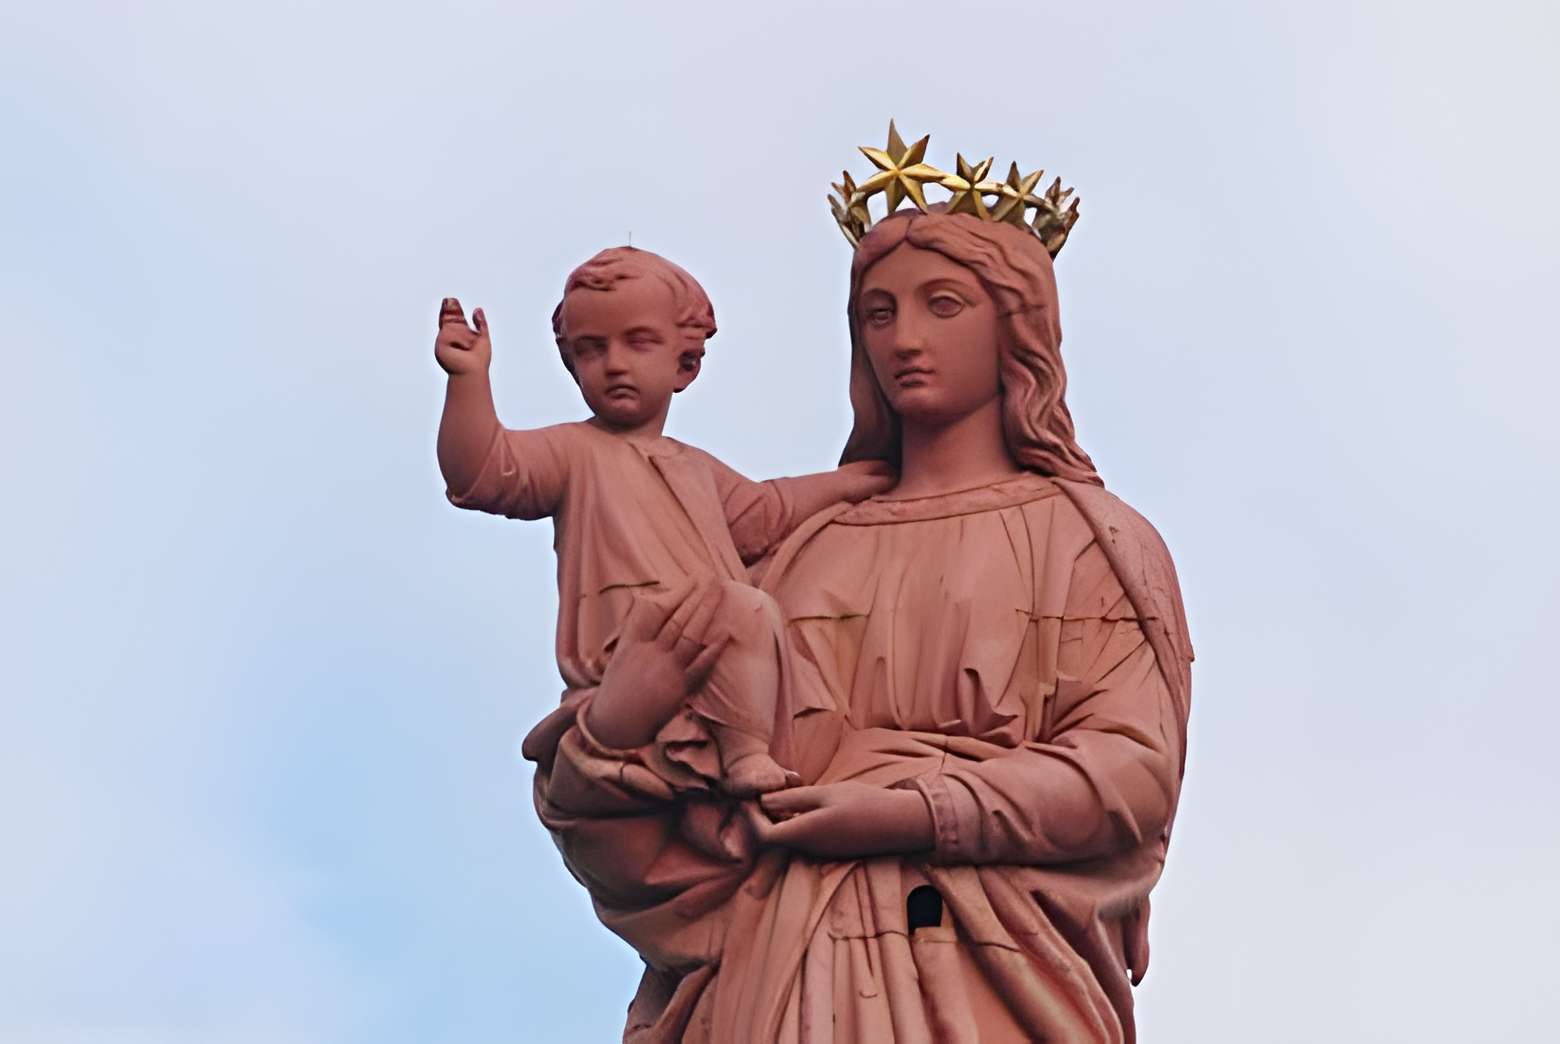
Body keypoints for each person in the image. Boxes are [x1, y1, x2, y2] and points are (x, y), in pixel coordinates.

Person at [525, 210, 1193, 1043]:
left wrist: (909, 812)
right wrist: (612, 733)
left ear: (1017, 326)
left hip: (989, 975)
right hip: (767, 981)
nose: (904, 338)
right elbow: (650, 850)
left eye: (941, 304)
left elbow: (1129, 774)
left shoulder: (1088, 537)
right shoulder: (782, 561)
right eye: (879, 313)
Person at [436, 246, 892, 795]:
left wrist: (852, 482)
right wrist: (467, 380)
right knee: (743, 606)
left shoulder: (694, 467)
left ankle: (745, 750)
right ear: (571, 363)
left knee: (750, 611)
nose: (615, 363)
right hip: (628, 647)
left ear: (686, 363)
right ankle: (741, 753)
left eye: (638, 341)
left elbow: (764, 515)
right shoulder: (573, 451)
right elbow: (483, 469)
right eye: (591, 349)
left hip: (720, 637)